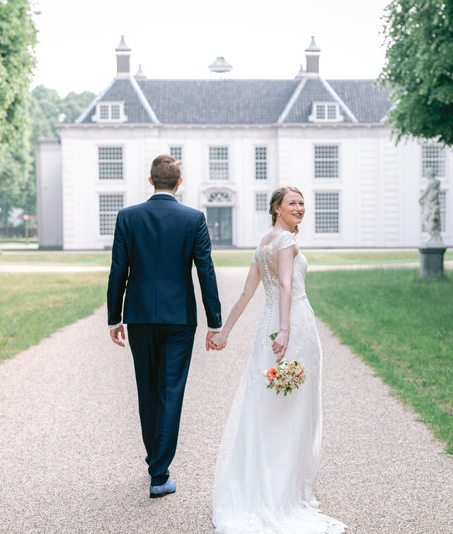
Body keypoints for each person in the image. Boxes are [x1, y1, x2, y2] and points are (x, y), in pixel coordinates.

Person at [210, 186, 346, 534]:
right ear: (277, 208)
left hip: (267, 325)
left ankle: (263, 482)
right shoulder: (284, 242)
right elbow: (286, 286)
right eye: (293, 204)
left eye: (301, 203)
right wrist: (285, 333)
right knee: (290, 406)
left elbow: (246, 294)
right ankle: (279, 491)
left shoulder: (263, 243)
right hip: (292, 324)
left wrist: (225, 331)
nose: (300, 208)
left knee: (268, 405)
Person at [107, 154, 222, 499]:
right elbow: (206, 272)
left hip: (139, 316)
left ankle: (155, 460)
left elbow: (118, 270)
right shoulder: (194, 218)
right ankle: (159, 473)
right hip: (179, 319)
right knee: (170, 390)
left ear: (150, 180)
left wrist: (115, 317)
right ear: (179, 183)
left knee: (147, 388)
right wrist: (214, 322)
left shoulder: (128, 217)